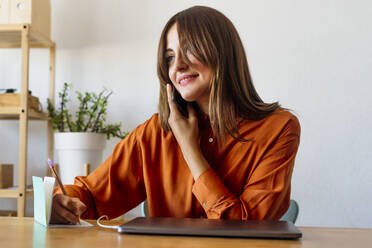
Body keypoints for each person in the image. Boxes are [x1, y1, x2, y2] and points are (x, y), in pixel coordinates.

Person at [51, 6, 300, 224]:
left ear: (222, 52)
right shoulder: (153, 133)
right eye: (169, 57)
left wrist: (190, 149)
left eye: (190, 49)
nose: (177, 65)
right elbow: (92, 196)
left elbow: (245, 229)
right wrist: (61, 203)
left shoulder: (279, 129)